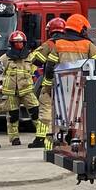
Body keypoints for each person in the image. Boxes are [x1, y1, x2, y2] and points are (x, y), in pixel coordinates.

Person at [42, 14, 96, 153]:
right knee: (80, 113)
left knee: (61, 113)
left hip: (62, 87)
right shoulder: (87, 44)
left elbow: (49, 66)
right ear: (80, 28)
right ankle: (77, 139)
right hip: (81, 86)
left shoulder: (58, 44)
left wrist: (47, 86)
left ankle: (59, 138)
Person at [28, 17, 66, 149]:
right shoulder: (70, 43)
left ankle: (41, 138)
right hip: (68, 84)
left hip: (50, 83)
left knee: (45, 110)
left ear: (51, 31)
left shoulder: (49, 44)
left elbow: (35, 59)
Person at [0, 30, 40, 146]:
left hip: (27, 91)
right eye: (16, 43)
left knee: (35, 112)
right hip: (10, 92)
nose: (18, 45)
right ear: (11, 44)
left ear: (24, 43)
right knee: (13, 116)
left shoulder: (30, 57)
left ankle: (41, 135)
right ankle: (14, 138)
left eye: (20, 42)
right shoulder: (5, 58)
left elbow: (36, 72)